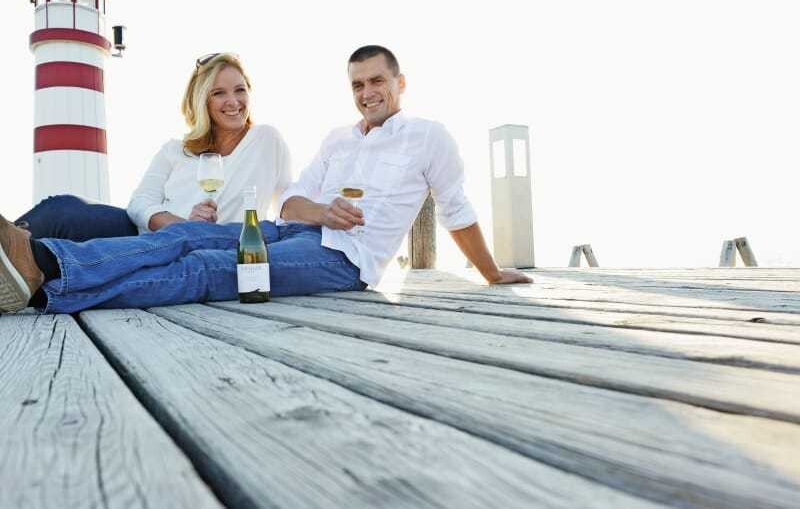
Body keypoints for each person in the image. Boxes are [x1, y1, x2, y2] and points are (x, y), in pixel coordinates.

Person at [0, 45, 530, 315]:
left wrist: (489, 272)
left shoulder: (428, 136)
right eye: (358, 83)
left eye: (377, 82)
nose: (367, 92)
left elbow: (458, 207)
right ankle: (41, 262)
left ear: (399, 84)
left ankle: (47, 294)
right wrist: (321, 211)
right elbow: (294, 201)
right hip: (292, 231)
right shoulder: (338, 140)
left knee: (206, 267)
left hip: (345, 261)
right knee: (182, 236)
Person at [14, 53, 291, 240]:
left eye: (240, 89)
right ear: (201, 102)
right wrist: (181, 225)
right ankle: (9, 248)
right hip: (144, 233)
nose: (233, 101)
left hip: (189, 248)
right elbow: (139, 204)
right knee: (61, 210)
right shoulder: (175, 150)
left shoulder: (265, 141)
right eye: (219, 93)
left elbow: (288, 203)